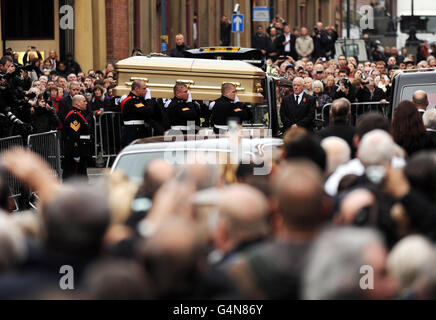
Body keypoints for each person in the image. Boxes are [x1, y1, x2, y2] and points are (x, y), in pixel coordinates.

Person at [62, 95, 92, 180]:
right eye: (84, 101)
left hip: (81, 150)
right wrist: (76, 153)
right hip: (76, 151)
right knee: (74, 177)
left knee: (81, 175)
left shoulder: (78, 114)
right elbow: (73, 135)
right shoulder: (74, 116)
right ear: (77, 103)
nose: (86, 103)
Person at [120, 80, 154, 147]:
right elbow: (148, 111)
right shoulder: (133, 101)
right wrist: (148, 99)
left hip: (135, 129)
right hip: (134, 131)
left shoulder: (135, 99)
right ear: (137, 89)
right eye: (144, 88)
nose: (146, 91)